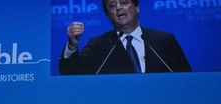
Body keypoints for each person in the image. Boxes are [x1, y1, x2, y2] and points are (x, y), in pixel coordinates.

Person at [58, 0, 191, 75]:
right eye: (112, 5)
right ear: (107, 15)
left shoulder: (165, 40)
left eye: (124, 2)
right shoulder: (98, 45)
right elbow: (71, 75)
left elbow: (187, 79)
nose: (118, 8)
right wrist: (72, 46)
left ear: (137, 7)